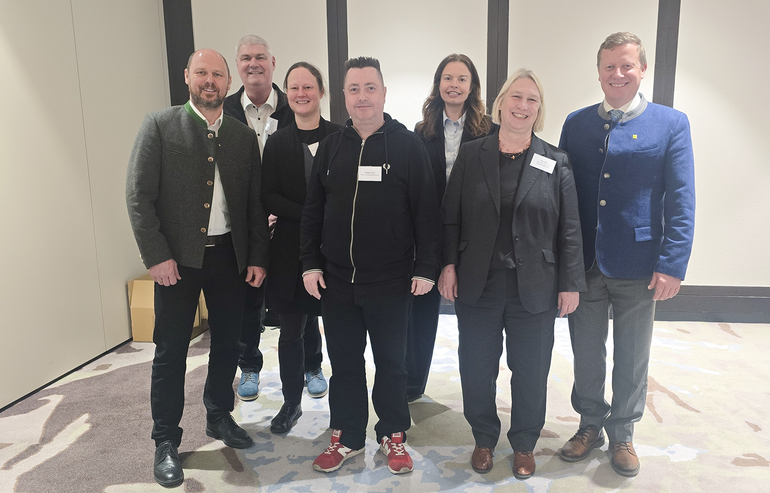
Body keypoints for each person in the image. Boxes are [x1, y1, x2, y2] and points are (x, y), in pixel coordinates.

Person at [126, 49, 269, 488]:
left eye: (218, 75)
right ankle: (166, 441)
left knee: (229, 342)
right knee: (171, 352)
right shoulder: (159, 125)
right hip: (178, 262)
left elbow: (253, 205)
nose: (210, 81)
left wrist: (258, 257)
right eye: (202, 73)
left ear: (230, 83)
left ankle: (219, 417)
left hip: (230, 257)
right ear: (187, 76)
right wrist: (157, 256)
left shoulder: (243, 137)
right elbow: (138, 196)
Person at [557, 32, 695, 477]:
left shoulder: (671, 123)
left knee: (634, 353)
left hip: (639, 263)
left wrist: (672, 263)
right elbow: (564, 196)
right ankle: (589, 425)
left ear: (642, 69)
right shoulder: (575, 124)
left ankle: (623, 434)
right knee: (587, 352)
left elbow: (681, 198)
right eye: (609, 66)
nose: (617, 74)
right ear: (598, 71)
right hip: (585, 263)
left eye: (626, 65)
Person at [438, 69, 585, 479]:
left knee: (532, 369)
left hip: (534, 285)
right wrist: (447, 265)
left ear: (539, 110)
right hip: (478, 282)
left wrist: (570, 283)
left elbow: (569, 229)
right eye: (516, 97)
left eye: (531, 100)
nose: (522, 106)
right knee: (476, 366)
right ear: (500, 102)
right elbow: (450, 218)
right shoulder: (473, 154)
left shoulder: (556, 160)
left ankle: (524, 443)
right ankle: (484, 437)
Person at [301, 57, 441, 475]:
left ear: (383, 93)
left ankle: (392, 435)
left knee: (391, 365)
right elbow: (313, 210)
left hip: (392, 281)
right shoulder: (330, 146)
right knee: (344, 363)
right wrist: (310, 264)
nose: (362, 96)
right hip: (338, 281)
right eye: (354, 89)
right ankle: (344, 435)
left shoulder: (407, 146)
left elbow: (426, 214)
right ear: (343, 96)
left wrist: (426, 268)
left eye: (370, 87)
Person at [223, 35, 327, 401]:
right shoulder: (225, 111)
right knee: (250, 298)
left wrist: (284, 214)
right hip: (244, 222)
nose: (254, 64)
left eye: (260, 58)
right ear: (238, 65)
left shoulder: (290, 109)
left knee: (303, 300)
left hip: (289, 224)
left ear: (272, 63)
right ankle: (249, 366)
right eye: (246, 58)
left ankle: (312, 364)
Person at [261, 62, 341, 434]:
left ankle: (345, 410)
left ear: (321, 92)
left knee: (342, 334)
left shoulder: (342, 138)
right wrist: (312, 213)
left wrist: (316, 216)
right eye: (294, 88)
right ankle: (291, 403)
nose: (301, 94)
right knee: (290, 333)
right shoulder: (277, 142)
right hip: (289, 255)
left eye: (308, 87)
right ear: (287, 94)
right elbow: (269, 195)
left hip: (336, 252)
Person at [409, 54, 493, 402]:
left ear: (472, 86)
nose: (454, 85)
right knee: (421, 313)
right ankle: (413, 386)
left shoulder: (491, 131)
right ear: (438, 84)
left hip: (474, 233)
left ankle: (478, 393)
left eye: (461, 78)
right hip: (430, 230)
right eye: (447, 78)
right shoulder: (421, 130)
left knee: (475, 319)